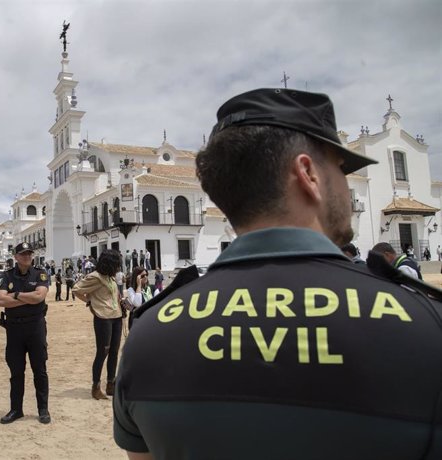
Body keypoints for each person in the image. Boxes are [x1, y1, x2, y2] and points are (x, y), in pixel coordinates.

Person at [113, 88, 442, 458]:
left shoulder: (147, 338)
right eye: (341, 169)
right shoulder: (425, 326)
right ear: (308, 174)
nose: (347, 189)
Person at [0, 242, 51, 424]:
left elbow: (39, 297)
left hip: (35, 327)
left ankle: (43, 409)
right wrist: (28, 298)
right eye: (23, 254)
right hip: (14, 329)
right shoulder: (7, 275)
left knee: (40, 371)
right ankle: (16, 409)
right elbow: (0, 300)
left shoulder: (40, 273)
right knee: (16, 371)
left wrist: (16, 295)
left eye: (29, 253)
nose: (27, 256)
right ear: (16, 257)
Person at [73, 249, 123, 401]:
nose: (119, 266)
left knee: (114, 352)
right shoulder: (95, 277)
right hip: (103, 318)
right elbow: (76, 289)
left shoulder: (110, 277)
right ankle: (96, 387)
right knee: (103, 352)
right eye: (116, 263)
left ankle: (110, 384)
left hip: (117, 316)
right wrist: (90, 303)